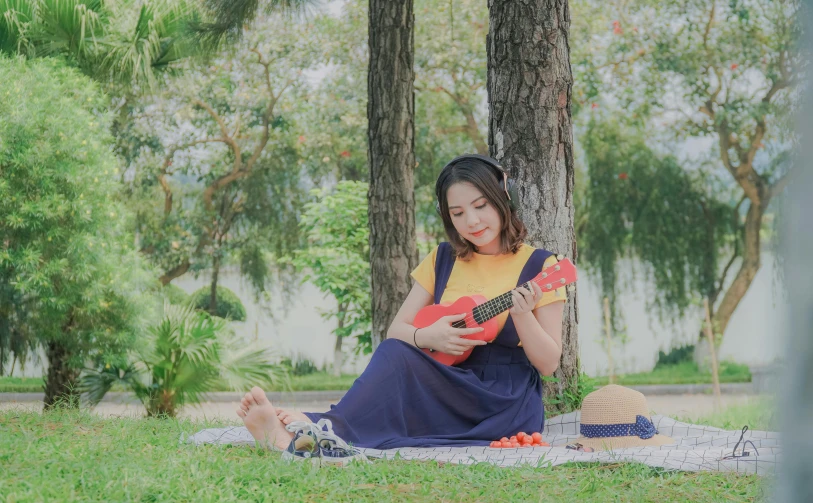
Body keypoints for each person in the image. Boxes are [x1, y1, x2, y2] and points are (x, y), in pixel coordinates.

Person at [237, 154, 566, 452]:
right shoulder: (443, 258)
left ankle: (312, 429)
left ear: (505, 199)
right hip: (444, 383)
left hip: (501, 399)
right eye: (458, 213)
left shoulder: (541, 267)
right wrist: (428, 338)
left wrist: (523, 316)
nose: (472, 221)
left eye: (481, 206)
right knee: (394, 352)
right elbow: (396, 330)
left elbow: (548, 363)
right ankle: (309, 429)